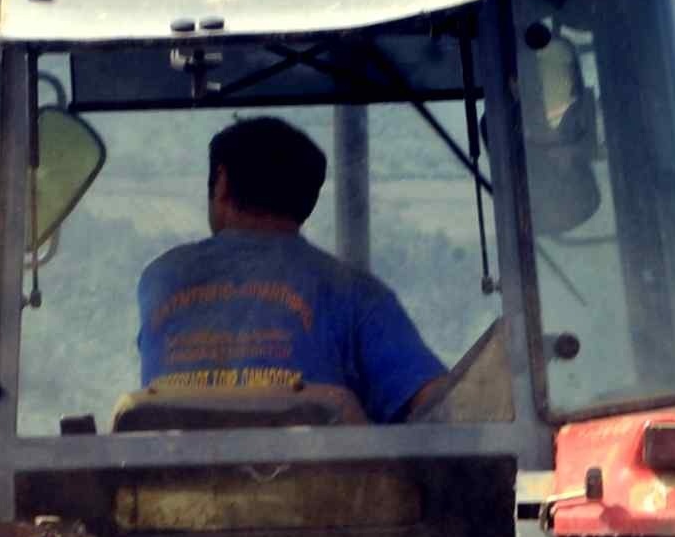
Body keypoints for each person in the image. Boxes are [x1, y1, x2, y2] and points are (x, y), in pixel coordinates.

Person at [132, 116, 448, 423]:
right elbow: (440, 408)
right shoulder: (358, 295)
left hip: (173, 475)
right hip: (322, 478)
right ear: (307, 199)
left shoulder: (160, 278)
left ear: (222, 182)